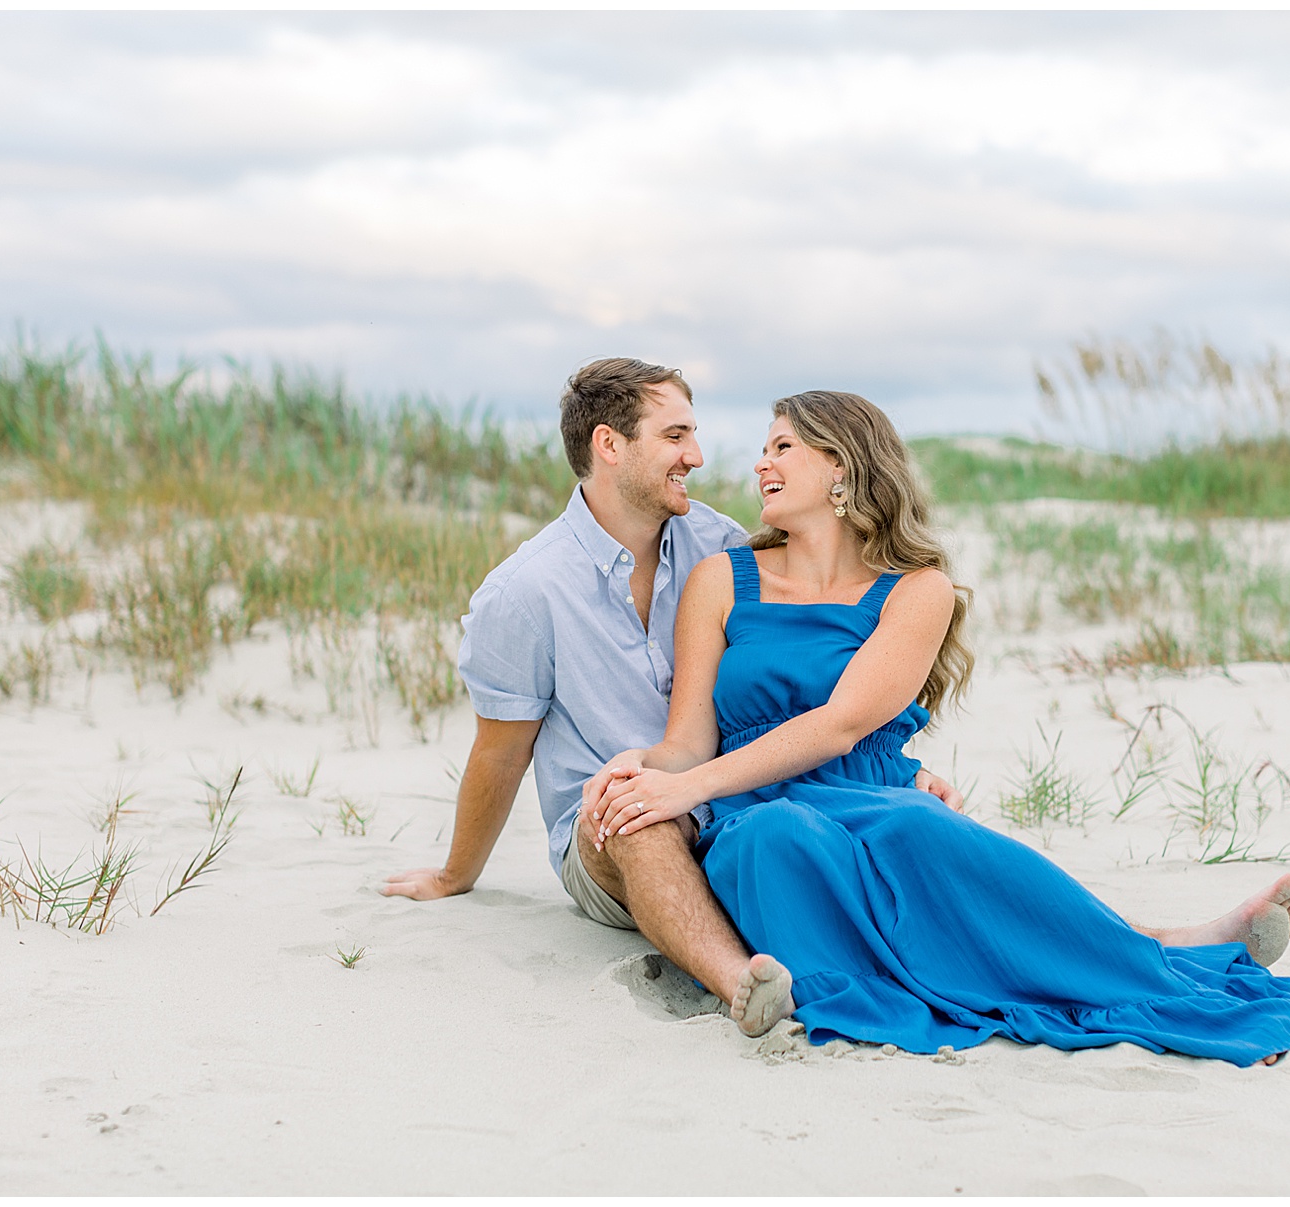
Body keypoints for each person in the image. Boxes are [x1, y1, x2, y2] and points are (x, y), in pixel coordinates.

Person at [582, 390, 1290, 1067]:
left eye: (782, 447)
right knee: (782, 841)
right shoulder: (723, 578)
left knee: (922, 830)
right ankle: (1154, 943)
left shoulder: (918, 591)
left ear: (840, 466)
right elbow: (688, 737)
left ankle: (1167, 950)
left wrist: (689, 784)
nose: (759, 464)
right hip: (753, 804)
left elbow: (843, 724)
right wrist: (647, 767)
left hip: (870, 793)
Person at [381, 358, 964, 1038]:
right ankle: (742, 984)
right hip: (615, 826)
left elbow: (813, 670)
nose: (698, 455)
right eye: (676, 436)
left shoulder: (722, 547)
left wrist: (894, 766)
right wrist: (457, 871)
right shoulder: (526, 591)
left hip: (740, 801)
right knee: (638, 815)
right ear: (609, 445)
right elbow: (499, 750)